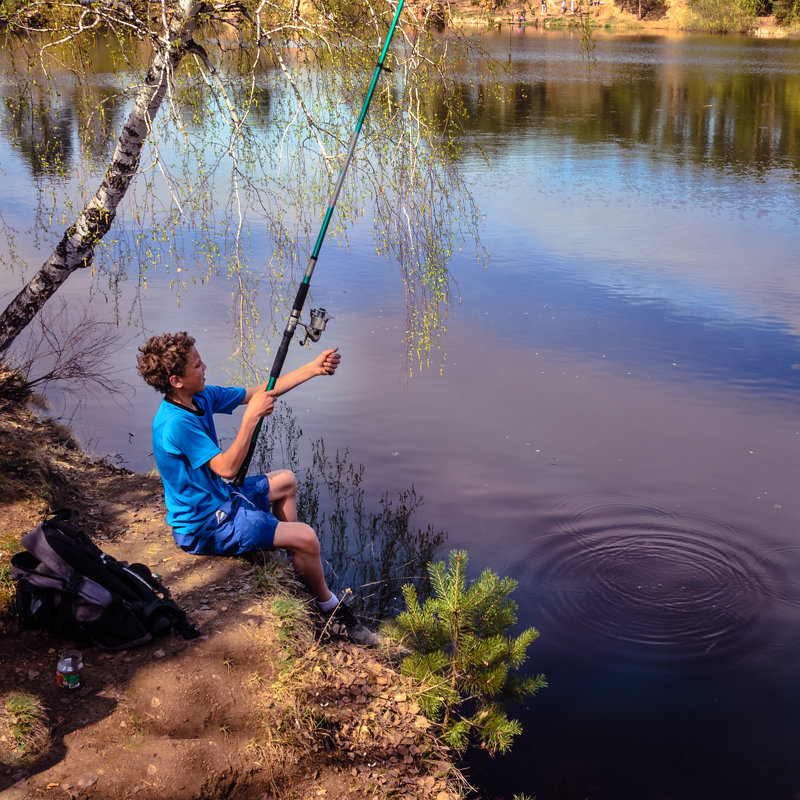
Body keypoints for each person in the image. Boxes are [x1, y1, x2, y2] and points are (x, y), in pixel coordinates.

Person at [136, 331, 378, 645]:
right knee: (307, 536)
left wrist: (313, 368)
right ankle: (331, 610)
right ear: (176, 380)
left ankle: (297, 561)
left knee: (285, 481)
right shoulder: (176, 423)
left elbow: (258, 392)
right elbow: (226, 468)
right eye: (197, 365)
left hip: (220, 499)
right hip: (205, 525)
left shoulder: (200, 397)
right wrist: (250, 420)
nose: (204, 366)